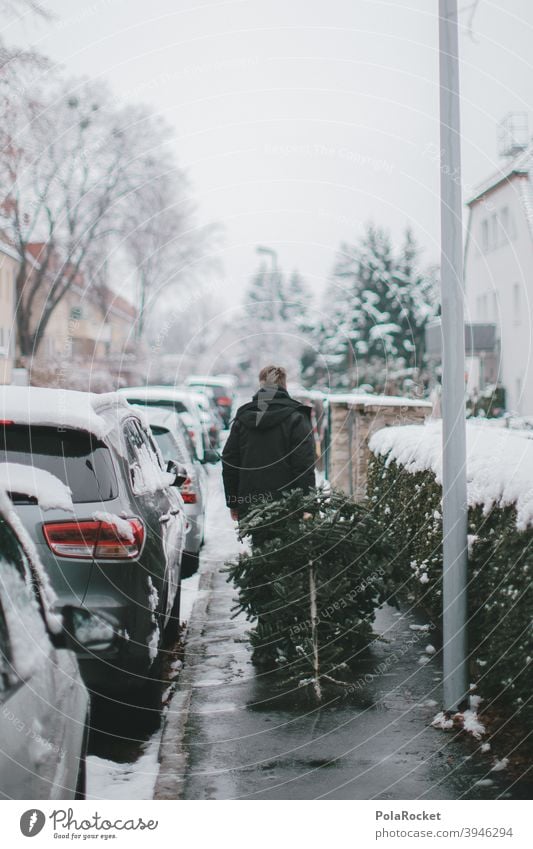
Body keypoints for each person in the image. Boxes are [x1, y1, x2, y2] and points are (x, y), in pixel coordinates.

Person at [222, 365, 316, 524]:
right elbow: (304, 464)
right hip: (289, 505)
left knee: (260, 547)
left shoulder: (244, 416)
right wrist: (308, 506)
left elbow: (230, 461)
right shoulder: (297, 417)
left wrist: (233, 502)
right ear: (284, 385)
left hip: (252, 503)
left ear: (261, 385)